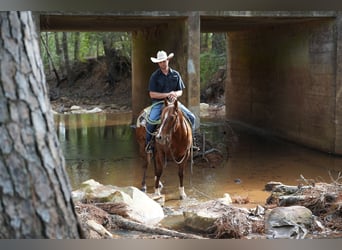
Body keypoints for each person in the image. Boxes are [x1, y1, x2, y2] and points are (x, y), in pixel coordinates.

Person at [145, 50, 199, 153]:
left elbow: (180, 91)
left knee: (191, 117)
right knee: (150, 122)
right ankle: (149, 144)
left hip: (173, 103)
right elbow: (152, 94)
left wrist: (175, 94)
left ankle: (192, 143)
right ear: (158, 63)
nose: (162, 63)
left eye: (164, 61)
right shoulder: (154, 76)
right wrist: (167, 95)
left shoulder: (175, 74)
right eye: (160, 62)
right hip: (158, 103)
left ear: (168, 60)